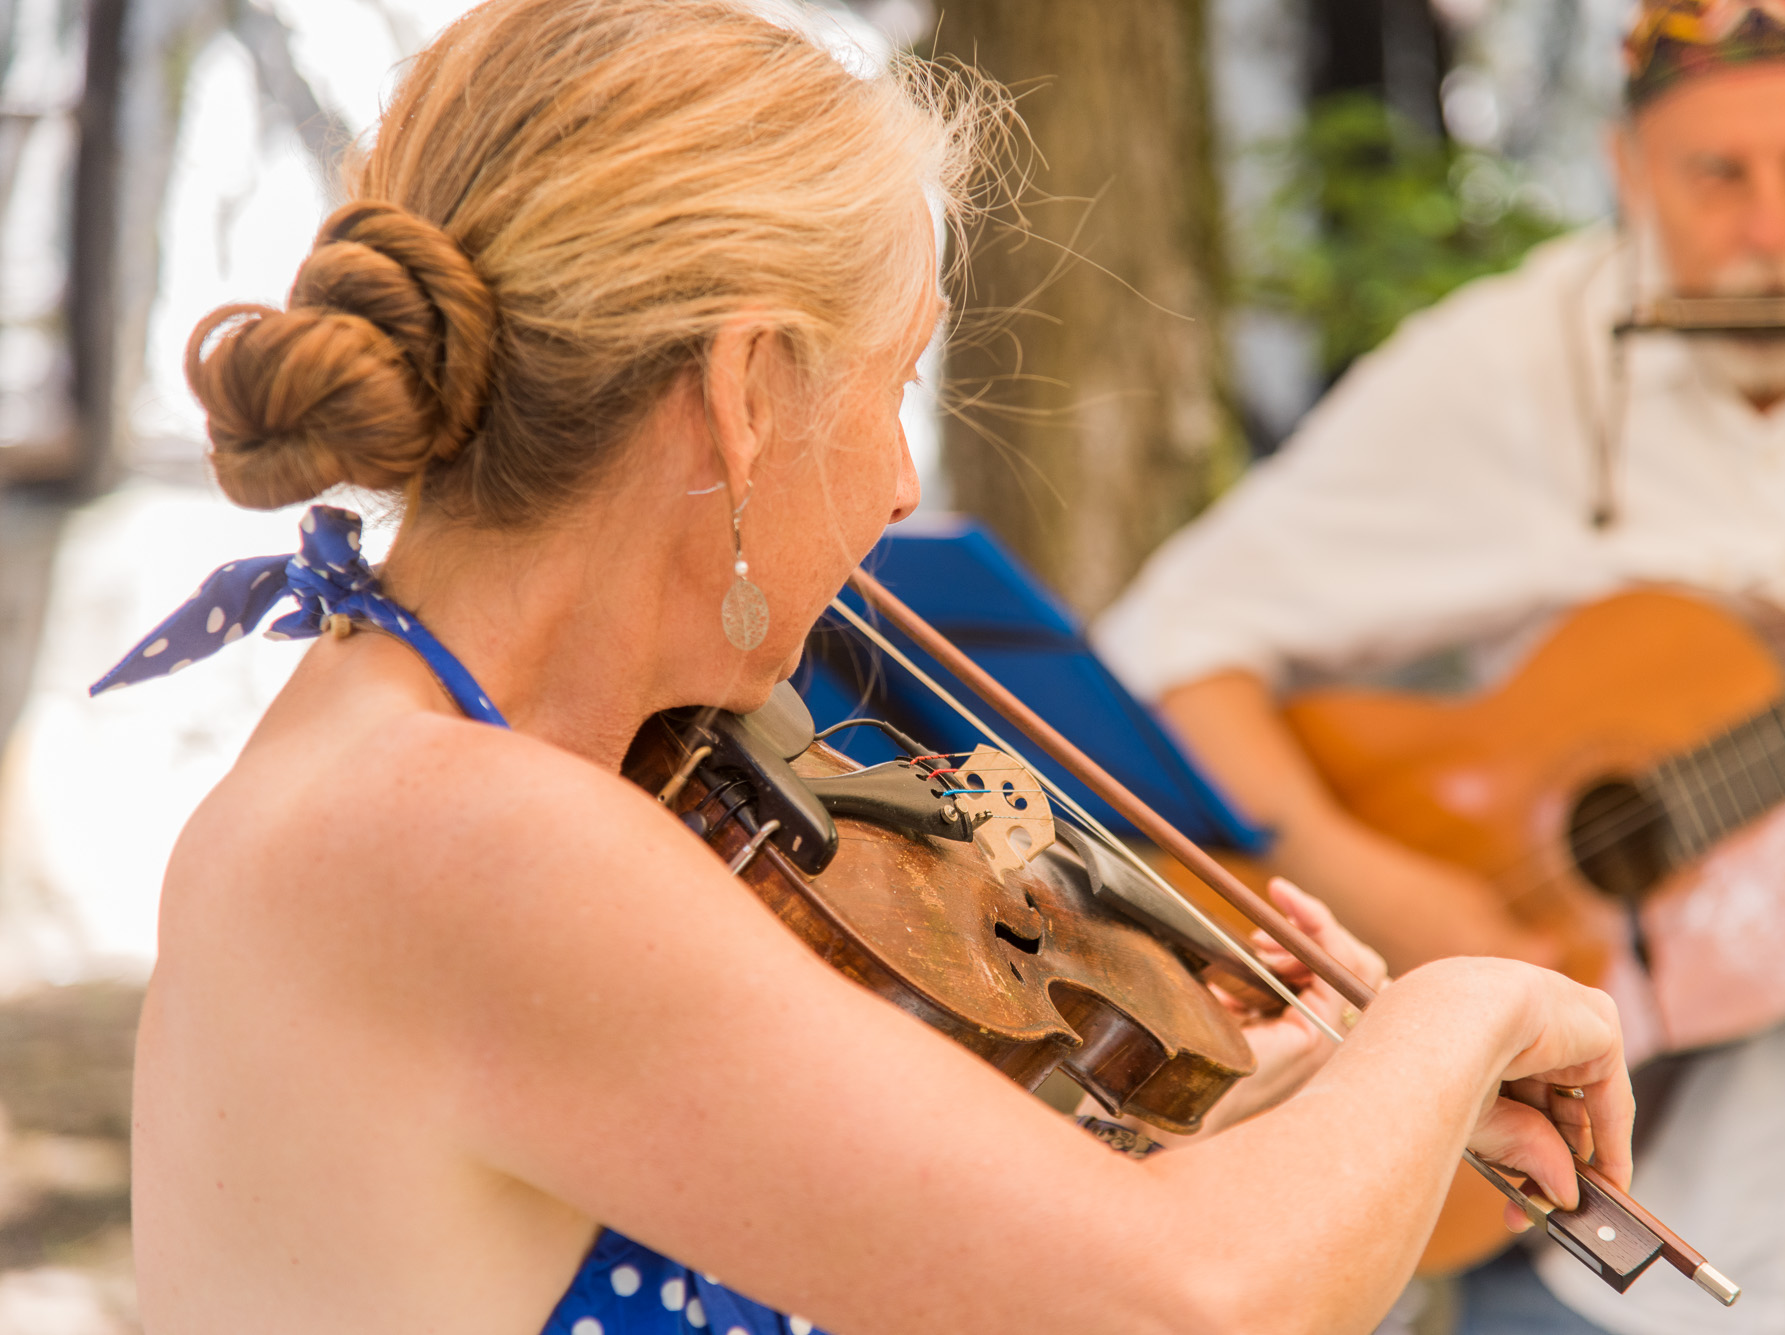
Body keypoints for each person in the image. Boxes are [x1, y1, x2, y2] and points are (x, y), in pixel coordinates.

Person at [106, 3, 1635, 1333]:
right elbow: (1188, 1302)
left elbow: (983, 1247)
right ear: (746, 390)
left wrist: (1279, 1113)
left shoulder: (411, 763)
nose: (903, 486)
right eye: (894, 382)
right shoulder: (474, 841)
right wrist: (1459, 1012)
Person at [1097, 1, 1785, 1332]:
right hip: (1591, 1215)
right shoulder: (1510, 365)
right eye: (1715, 175)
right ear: (1627, 168)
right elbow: (1169, 648)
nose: (1769, 231)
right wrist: (1409, 907)